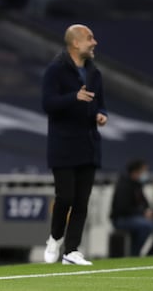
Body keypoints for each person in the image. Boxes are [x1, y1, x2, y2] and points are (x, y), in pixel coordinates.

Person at [41, 24, 108, 265]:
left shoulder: (94, 73)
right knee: (65, 197)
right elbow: (48, 104)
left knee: (82, 201)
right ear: (76, 43)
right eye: (90, 38)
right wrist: (73, 97)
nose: (94, 42)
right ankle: (55, 237)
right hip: (63, 146)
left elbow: (100, 103)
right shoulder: (55, 71)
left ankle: (71, 251)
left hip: (88, 144)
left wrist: (102, 114)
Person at [110, 159, 153, 256]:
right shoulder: (124, 185)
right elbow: (123, 208)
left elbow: (145, 204)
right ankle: (134, 254)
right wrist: (142, 213)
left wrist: (150, 211)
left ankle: (151, 253)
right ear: (135, 171)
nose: (145, 174)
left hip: (139, 218)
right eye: (143, 171)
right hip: (122, 219)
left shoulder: (138, 185)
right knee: (147, 226)